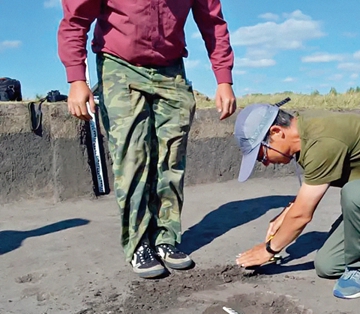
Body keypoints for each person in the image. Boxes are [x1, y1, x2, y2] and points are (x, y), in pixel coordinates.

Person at [58, 1, 236, 278]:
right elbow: (75, 20)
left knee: (171, 157)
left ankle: (166, 239)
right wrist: (76, 79)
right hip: (119, 65)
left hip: (171, 69)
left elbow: (212, 22)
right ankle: (139, 243)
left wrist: (224, 79)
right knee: (132, 157)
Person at [234, 104, 360, 299]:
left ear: (277, 132)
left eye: (261, 155)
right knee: (327, 265)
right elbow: (307, 196)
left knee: (355, 194)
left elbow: (303, 215)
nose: (266, 163)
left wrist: (268, 250)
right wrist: (288, 212)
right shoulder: (306, 134)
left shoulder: (322, 141)